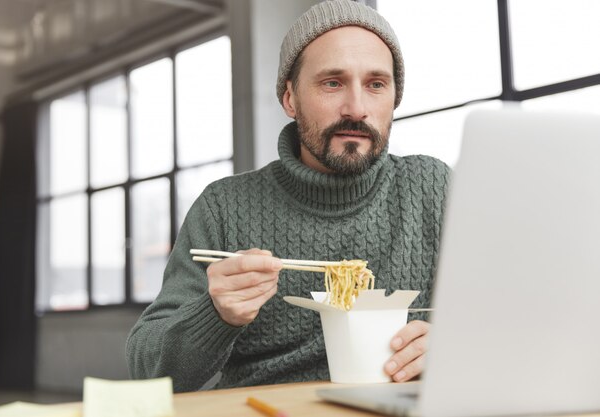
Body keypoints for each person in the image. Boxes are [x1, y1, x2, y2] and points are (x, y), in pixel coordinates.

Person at [126, 0, 449, 392]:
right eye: (332, 82)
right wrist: (215, 315)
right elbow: (147, 370)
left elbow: (509, 315)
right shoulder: (224, 207)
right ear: (289, 98)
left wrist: (454, 345)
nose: (357, 108)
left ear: (394, 98)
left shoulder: (432, 187)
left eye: (376, 85)